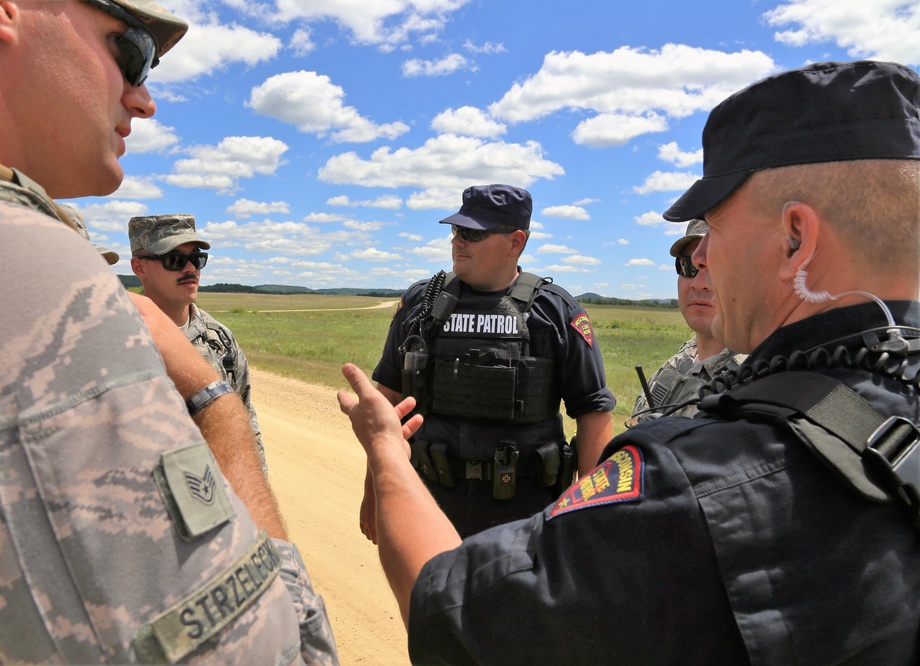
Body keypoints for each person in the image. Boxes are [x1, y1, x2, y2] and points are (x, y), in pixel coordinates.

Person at [338, 59, 920, 663]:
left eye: (712, 232)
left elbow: (453, 612)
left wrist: (384, 453)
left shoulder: (690, 483)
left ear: (796, 238)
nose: (704, 264)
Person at [0, 1, 336, 663]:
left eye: (197, 258)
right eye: (130, 50)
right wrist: (216, 409)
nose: (143, 100)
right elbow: (268, 652)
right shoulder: (1, 263)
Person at [365, 183, 616, 539]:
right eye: (455, 230)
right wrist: (374, 490)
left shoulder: (555, 313)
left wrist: (591, 514)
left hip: (525, 518)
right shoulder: (422, 304)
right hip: (428, 506)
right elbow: (387, 407)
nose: (457, 241)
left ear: (516, 242)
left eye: (472, 233)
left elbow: (593, 413)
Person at [129, 213, 269, 473]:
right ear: (139, 268)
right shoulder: (118, 338)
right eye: (174, 260)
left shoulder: (220, 339)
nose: (190, 269)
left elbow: (246, 423)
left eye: (196, 259)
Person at [629, 219, 746, 424]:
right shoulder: (680, 362)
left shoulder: (754, 379)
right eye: (688, 267)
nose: (699, 283)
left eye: (718, 266)